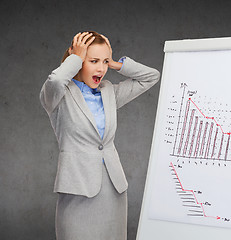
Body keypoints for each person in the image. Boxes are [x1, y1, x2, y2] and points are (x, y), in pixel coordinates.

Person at [39, 31, 160, 240]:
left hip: (113, 190)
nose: (101, 68)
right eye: (93, 61)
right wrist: (75, 57)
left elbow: (151, 77)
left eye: (104, 62)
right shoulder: (58, 96)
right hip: (78, 189)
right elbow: (57, 79)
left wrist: (115, 64)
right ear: (76, 60)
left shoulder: (109, 92)